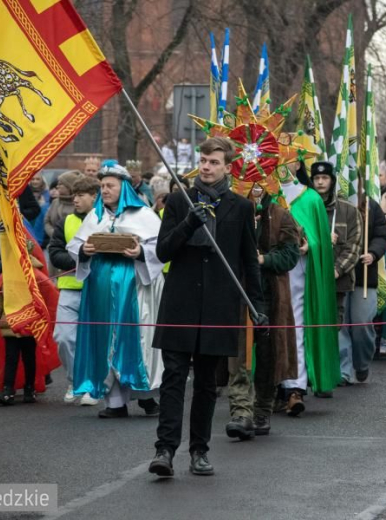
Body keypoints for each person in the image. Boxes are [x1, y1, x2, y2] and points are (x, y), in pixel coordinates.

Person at [149, 137, 265, 478]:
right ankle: (165, 450)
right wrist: (189, 224)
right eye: (203, 160)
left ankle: (199, 450)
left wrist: (257, 305)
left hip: (219, 306)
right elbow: (163, 252)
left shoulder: (242, 207)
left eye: (214, 162)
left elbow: (249, 261)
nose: (206, 167)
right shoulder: (178, 201)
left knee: (206, 384)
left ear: (227, 167)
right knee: (172, 379)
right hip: (180, 305)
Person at [67, 162, 165, 418]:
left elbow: (160, 246)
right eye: (102, 186)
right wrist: (83, 251)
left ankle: (146, 396)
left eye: (110, 185)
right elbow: (74, 245)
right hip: (100, 288)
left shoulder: (142, 214)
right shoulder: (95, 216)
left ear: (123, 187)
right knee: (104, 338)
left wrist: (140, 251)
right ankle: (115, 402)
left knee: (133, 338)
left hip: (132, 287)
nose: (105, 190)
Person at [226, 183, 299, 439]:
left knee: (269, 355)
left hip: (270, 296)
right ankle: (240, 411)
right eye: (250, 181)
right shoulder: (231, 210)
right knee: (239, 355)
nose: (255, 187)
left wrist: (263, 259)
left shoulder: (280, 214)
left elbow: (291, 255)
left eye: (260, 181)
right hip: (238, 295)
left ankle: (262, 409)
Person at [278, 163, 339, 416]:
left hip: (299, 274)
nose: (284, 164)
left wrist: (308, 245)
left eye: (290, 158)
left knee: (296, 327)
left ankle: (295, 387)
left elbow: (320, 240)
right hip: (270, 272)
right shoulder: (264, 193)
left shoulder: (310, 198)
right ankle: (269, 387)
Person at [311, 161, 362, 395]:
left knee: (332, 328)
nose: (320, 182)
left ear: (332, 181)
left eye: (325, 178)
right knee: (310, 328)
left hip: (336, 282)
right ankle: (309, 376)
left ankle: (328, 378)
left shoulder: (348, 211)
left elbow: (353, 246)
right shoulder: (306, 206)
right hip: (310, 280)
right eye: (316, 179)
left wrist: (336, 270)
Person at [49, 176, 101, 405]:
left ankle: (91, 384)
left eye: (81, 196)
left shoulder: (103, 221)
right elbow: (55, 252)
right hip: (69, 288)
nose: (76, 200)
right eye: (74, 196)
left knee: (95, 340)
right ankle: (75, 380)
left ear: (94, 197)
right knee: (63, 337)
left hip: (96, 289)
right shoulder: (66, 221)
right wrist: (79, 260)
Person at [0, 245, 58, 405]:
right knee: (11, 357)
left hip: (30, 325)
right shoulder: (7, 277)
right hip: (10, 324)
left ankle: (29, 388)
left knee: (29, 358)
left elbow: (48, 298)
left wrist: (45, 322)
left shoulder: (36, 276)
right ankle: (8, 390)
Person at [339, 190, 386, 384]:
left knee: (361, 323)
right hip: (339, 275)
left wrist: (373, 253)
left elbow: (382, 236)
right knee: (340, 324)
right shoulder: (334, 204)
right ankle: (343, 370)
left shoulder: (371, 205)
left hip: (364, 275)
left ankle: (361, 363)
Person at [44, 171, 81, 241]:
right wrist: (54, 234)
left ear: (69, 187)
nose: (57, 186)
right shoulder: (55, 202)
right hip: (54, 243)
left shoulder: (78, 203)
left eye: (60, 184)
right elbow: (47, 221)